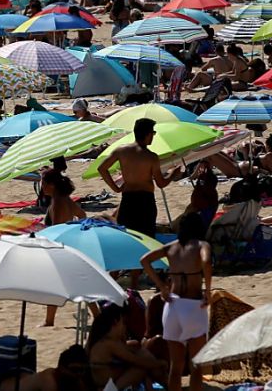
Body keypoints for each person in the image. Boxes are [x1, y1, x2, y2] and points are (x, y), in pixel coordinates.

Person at [141, 213, 211, 391]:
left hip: (172, 307)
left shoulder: (171, 247)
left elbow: (145, 260)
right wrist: (208, 290)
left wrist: (162, 286)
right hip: (193, 305)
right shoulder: (202, 245)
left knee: (176, 366)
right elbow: (206, 261)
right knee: (196, 365)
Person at [98, 118, 170, 240]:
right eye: (153, 133)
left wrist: (115, 188)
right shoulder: (151, 157)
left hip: (128, 199)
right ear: (147, 134)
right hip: (145, 201)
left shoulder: (121, 150)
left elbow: (102, 169)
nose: (153, 136)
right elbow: (161, 183)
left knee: (127, 236)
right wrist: (173, 173)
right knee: (147, 238)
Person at [40, 167, 86, 326]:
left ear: (52, 185)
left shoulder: (59, 202)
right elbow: (82, 216)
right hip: (70, 245)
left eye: (44, 184)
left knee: (54, 285)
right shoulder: (65, 199)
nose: (42, 187)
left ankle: (49, 321)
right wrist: (74, 230)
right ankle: (49, 320)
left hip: (59, 247)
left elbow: (56, 229)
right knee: (81, 285)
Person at [85, 305, 168, 390]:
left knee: (138, 352)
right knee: (141, 368)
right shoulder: (109, 343)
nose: (125, 327)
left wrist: (123, 337)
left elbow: (130, 348)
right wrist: (159, 363)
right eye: (123, 323)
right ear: (115, 322)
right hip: (107, 385)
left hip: (104, 381)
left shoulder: (101, 339)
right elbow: (135, 360)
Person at [0, 344, 94, 391]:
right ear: (61, 367)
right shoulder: (50, 381)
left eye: (82, 370)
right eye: (75, 370)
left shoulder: (74, 379)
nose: (79, 374)